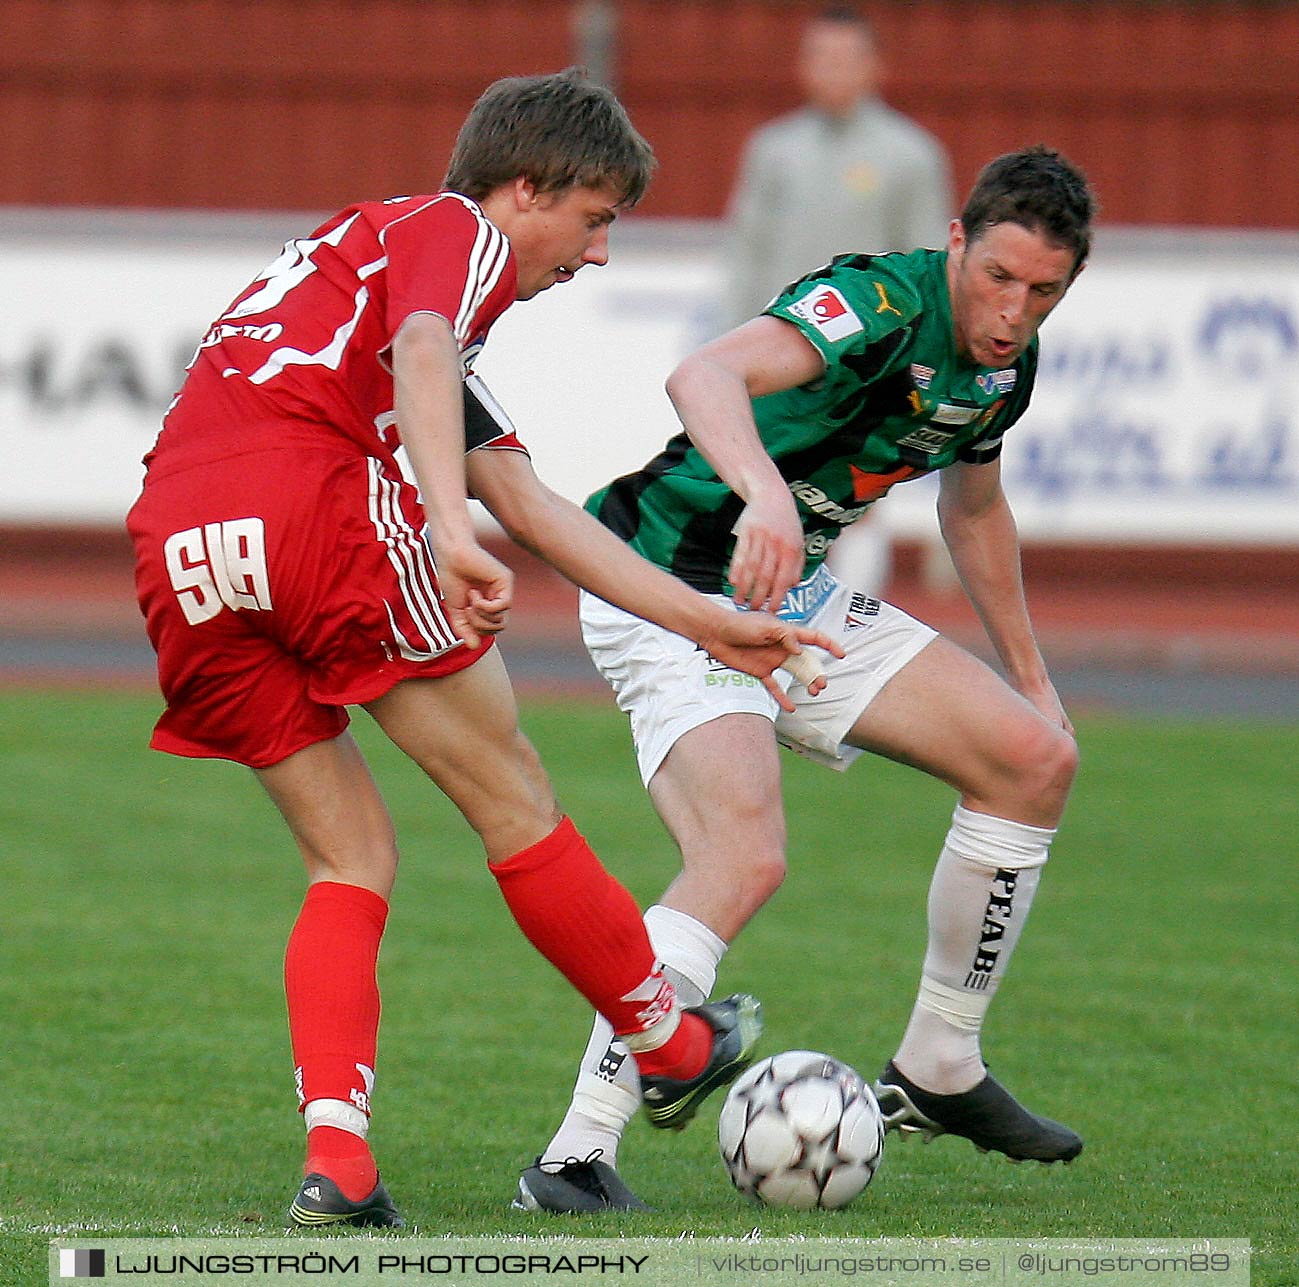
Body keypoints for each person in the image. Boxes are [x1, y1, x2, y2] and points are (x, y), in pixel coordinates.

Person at [126, 68, 840, 1230]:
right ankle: (663, 1040)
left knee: (349, 859)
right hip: (311, 504)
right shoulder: (446, 233)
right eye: (596, 217)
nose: (599, 252)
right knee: (511, 796)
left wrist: (711, 623)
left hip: (179, 544)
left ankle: (338, 1167)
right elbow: (425, 356)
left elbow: (531, 497)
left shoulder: (354, 284)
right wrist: (447, 533)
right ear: (521, 189)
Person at [517, 146, 1094, 1215]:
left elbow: (973, 509)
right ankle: (572, 1158)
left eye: (1045, 292)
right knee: (741, 853)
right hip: (668, 580)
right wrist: (766, 499)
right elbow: (703, 375)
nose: (1013, 311)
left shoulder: (1006, 368)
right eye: (998, 277)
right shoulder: (877, 301)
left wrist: (1031, 677)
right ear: (957, 241)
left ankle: (939, 1069)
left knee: (1033, 759)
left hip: (794, 600)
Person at [721, 4, 954, 600]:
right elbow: (747, 253)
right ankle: (764, 615)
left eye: (846, 58)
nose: (831, 71)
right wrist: (729, 347)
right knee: (767, 484)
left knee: (857, 493)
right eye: (819, 56)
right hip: (777, 354)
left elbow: (929, 264)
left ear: (875, 66)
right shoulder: (773, 151)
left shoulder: (910, 155)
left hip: (867, 359)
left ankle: (854, 621)